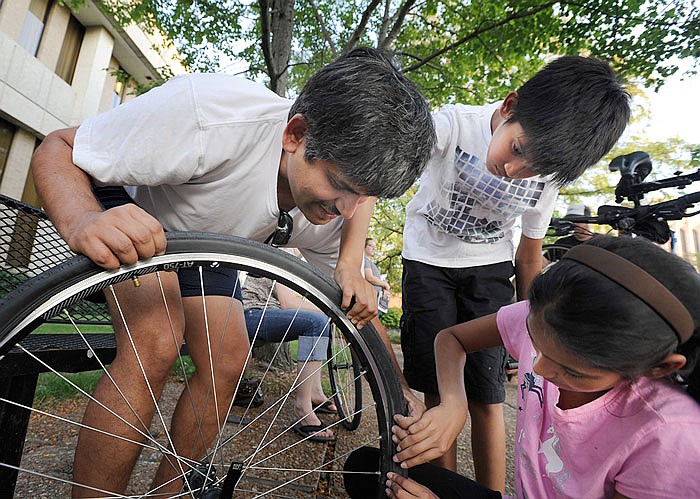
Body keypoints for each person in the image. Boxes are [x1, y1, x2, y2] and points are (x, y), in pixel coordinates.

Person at [30, 47, 436, 496]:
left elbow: (361, 312)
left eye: (364, 197)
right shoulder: (209, 117)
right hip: (130, 208)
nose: (347, 209)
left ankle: (170, 493)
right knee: (157, 341)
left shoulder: (333, 210)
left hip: (209, 243)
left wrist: (402, 392)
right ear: (295, 135)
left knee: (228, 363)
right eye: (340, 186)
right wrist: (83, 219)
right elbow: (59, 146)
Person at [400, 55, 630, 490]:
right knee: (439, 388)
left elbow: (529, 253)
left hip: (490, 269)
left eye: (532, 169)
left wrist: (533, 324)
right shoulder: (451, 125)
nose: (513, 171)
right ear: (509, 106)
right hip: (427, 261)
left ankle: (493, 491)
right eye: (517, 150)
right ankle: (439, 487)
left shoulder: (548, 177)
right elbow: (386, 162)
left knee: (487, 396)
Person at [346, 235, 700, 498]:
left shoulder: (669, 437)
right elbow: (451, 339)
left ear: (660, 367)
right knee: (367, 468)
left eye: (573, 372)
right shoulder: (546, 317)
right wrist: (453, 402)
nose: (541, 369)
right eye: (535, 345)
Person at [242, 273, 337, 442]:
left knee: (321, 322)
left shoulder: (297, 254)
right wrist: (334, 310)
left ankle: (315, 391)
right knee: (317, 322)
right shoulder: (285, 248)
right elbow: (289, 303)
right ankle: (302, 408)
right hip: (250, 313)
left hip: (265, 310)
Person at [364, 237, 391, 314]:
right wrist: (385, 284)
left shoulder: (370, 262)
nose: (374, 249)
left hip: (376, 300)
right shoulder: (365, 260)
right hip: (370, 300)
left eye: (374, 247)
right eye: (371, 246)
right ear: (364, 246)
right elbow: (369, 277)